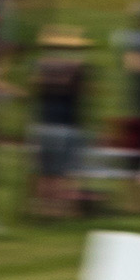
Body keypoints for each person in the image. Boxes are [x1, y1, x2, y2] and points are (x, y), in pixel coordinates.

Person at [29, 31, 91, 219]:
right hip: (68, 126)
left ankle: (42, 209)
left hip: (43, 125)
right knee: (65, 173)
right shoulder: (78, 70)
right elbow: (87, 92)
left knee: (44, 172)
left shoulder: (41, 69)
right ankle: (61, 210)